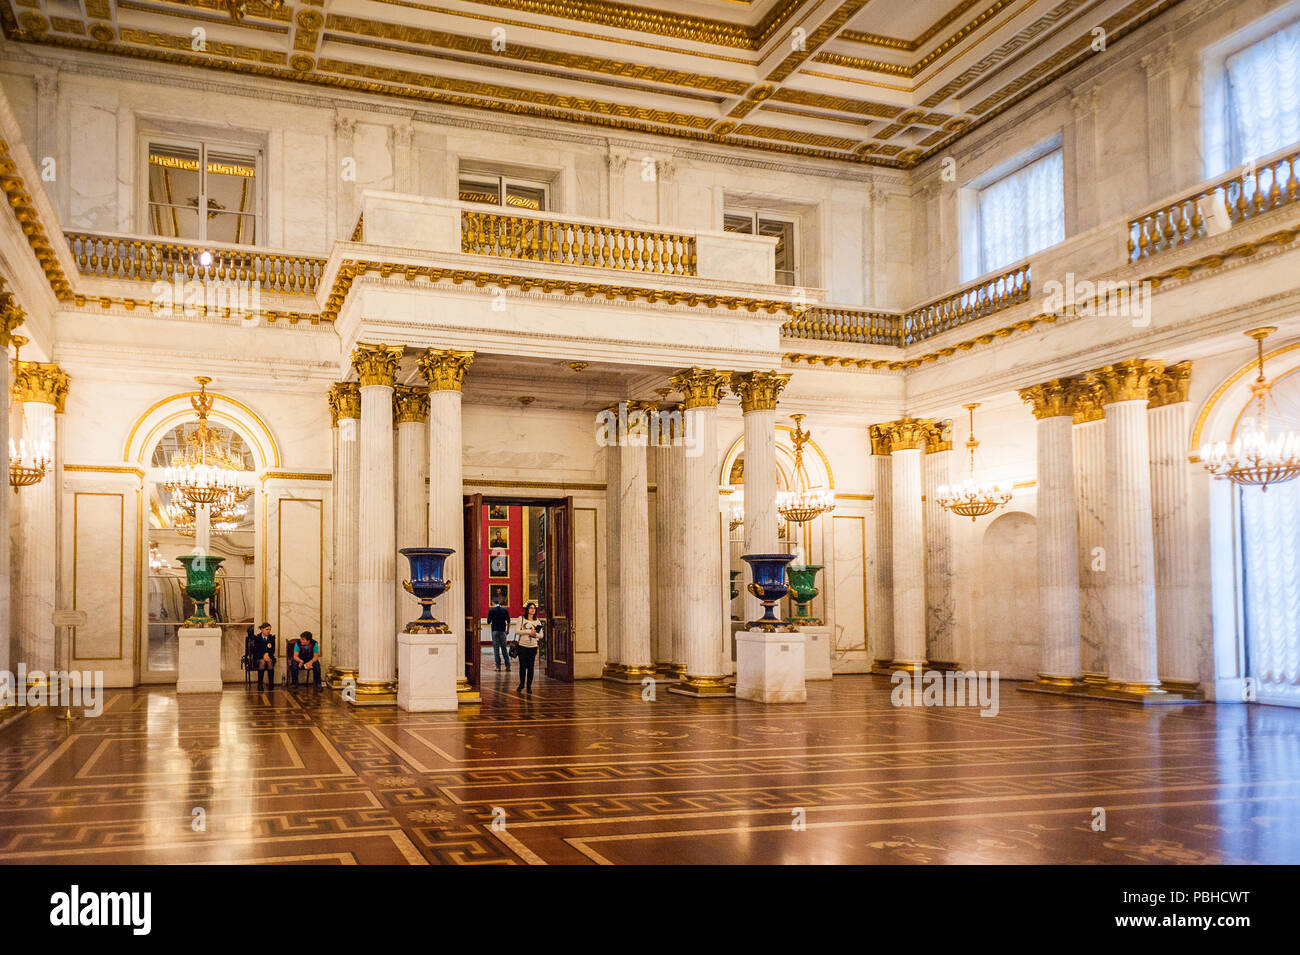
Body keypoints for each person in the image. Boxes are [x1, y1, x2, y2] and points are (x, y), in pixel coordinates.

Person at [514, 602, 543, 694]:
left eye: (534, 608)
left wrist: (535, 634)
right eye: (531, 608)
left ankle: (529, 686)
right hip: (522, 646)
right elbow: (517, 631)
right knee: (522, 666)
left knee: (531, 667)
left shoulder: (537, 621)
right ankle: (522, 684)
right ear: (527, 609)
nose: (532, 610)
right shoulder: (521, 619)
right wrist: (528, 631)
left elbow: (541, 635)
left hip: (533, 646)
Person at [487, 597, 512, 672]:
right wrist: (507, 630)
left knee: (496, 649)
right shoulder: (505, 610)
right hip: (502, 631)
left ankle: (498, 667)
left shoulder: (491, 610)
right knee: (504, 649)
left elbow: (488, 621)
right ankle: (508, 666)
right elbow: (508, 621)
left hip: (494, 631)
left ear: (493, 603)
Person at [250, 622, 275, 690]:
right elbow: (256, 650)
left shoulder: (271, 638)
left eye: (269, 629)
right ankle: (260, 684)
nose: (268, 631)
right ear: (262, 629)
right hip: (258, 656)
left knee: (270, 662)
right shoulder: (257, 638)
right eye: (267, 629)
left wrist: (267, 654)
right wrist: (263, 655)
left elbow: (273, 649)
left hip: (269, 656)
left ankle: (271, 683)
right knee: (262, 662)